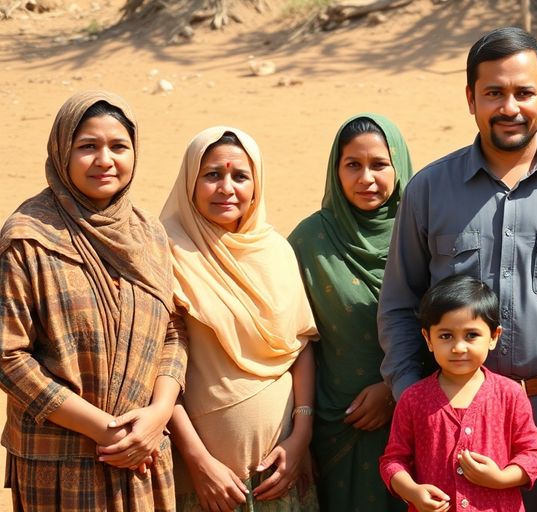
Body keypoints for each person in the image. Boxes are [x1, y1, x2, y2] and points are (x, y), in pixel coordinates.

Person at [378, 26, 537, 509]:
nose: (509, 107)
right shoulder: (429, 190)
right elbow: (399, 304)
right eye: (493, 92)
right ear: (471, 98)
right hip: (448, 415)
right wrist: (417, 395)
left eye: (523, 92)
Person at [0, 90, 185, 511]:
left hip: (144, 454)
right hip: (61, 463)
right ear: (62, 151)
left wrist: (157, 415)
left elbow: (173, 329)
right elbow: (8, 355)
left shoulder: (148, 234)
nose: (105, 160)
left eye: (119, 146)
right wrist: (105, 429)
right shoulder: (27, 238)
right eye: (88, 146)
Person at [161, 126, 319, 511]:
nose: (226, 187)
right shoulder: (165, 252)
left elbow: (299, 348)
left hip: (281, 469)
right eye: (212, 174)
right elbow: (156, 368)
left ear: (256, 184)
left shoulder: (276, 251)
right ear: (189, 182)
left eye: (240, 176)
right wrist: (199, 462)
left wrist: (301, 434)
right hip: (202, 477)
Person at [288, 114, 410, 511]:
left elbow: (453, 324)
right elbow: (292, 341)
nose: (366, 179)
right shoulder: (310, 240)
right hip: (335, 425)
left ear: (400, 166)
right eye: (352, 165)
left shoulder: (423, 234)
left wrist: (392, 391)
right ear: (335, 170)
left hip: (414, 416)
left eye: (379, 164)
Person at [379, 275, 537, 512]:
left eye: (471, 335)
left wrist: (501, 478)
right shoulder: (413, 398)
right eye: (446, 336)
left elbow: (532, 454)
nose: (459, 347)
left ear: (494, 337)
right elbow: (393, 460)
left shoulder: (510, 394)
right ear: (428, 339)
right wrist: (413, 492)